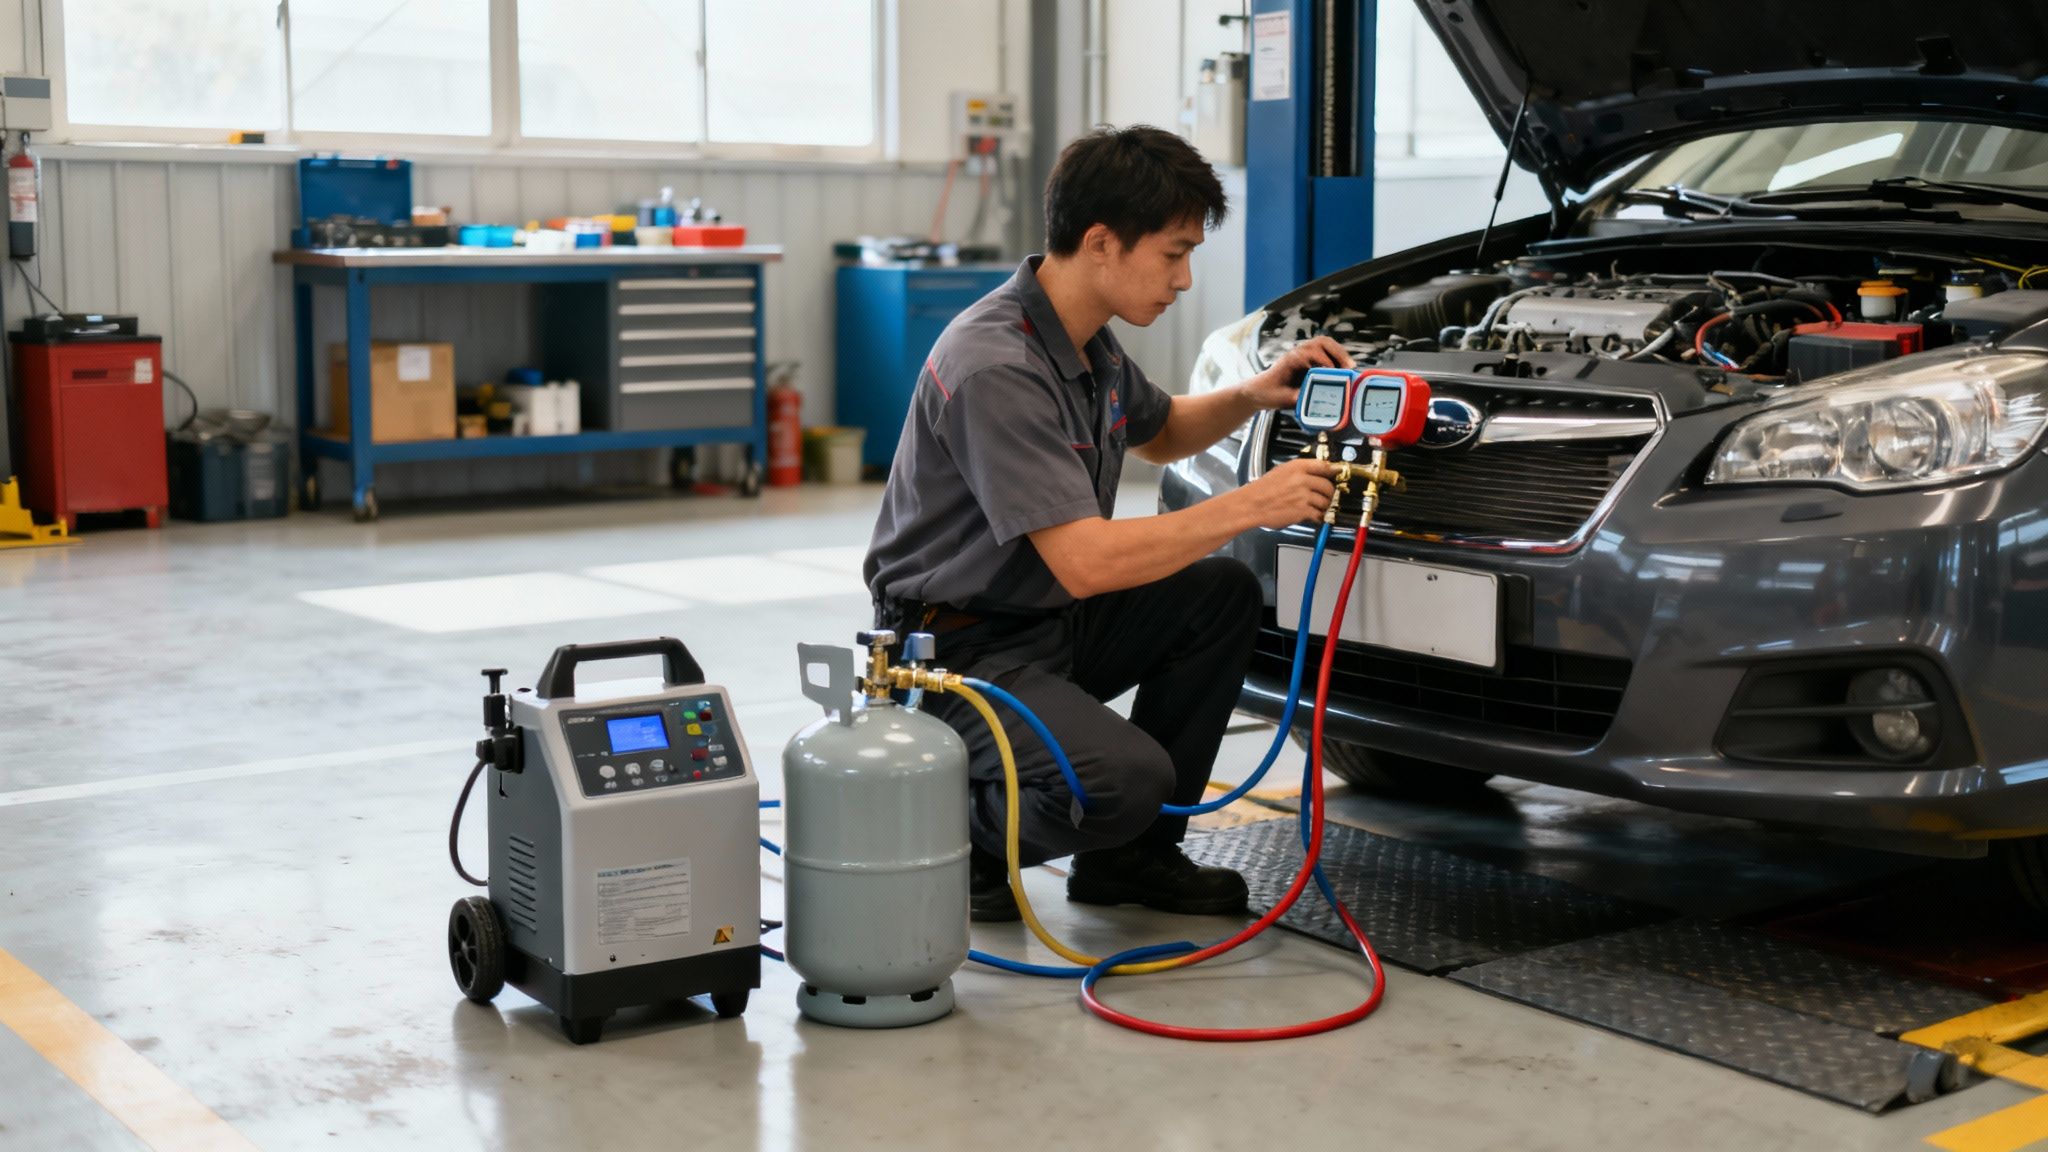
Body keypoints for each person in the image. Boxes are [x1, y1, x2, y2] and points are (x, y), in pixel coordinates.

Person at [863, 125, 1351, 921]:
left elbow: (1161, 432)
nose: (1185, 278)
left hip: (1045, 623)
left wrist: (1257, 392)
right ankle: (954, 834)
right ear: (1100, 243)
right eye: (1173, 253)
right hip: (955, 652)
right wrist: (1255, 501)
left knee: (1216, 593)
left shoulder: (1087, 345)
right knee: (1123, 779)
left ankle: (1131, 860)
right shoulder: (998, 366)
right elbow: (1086, 563)